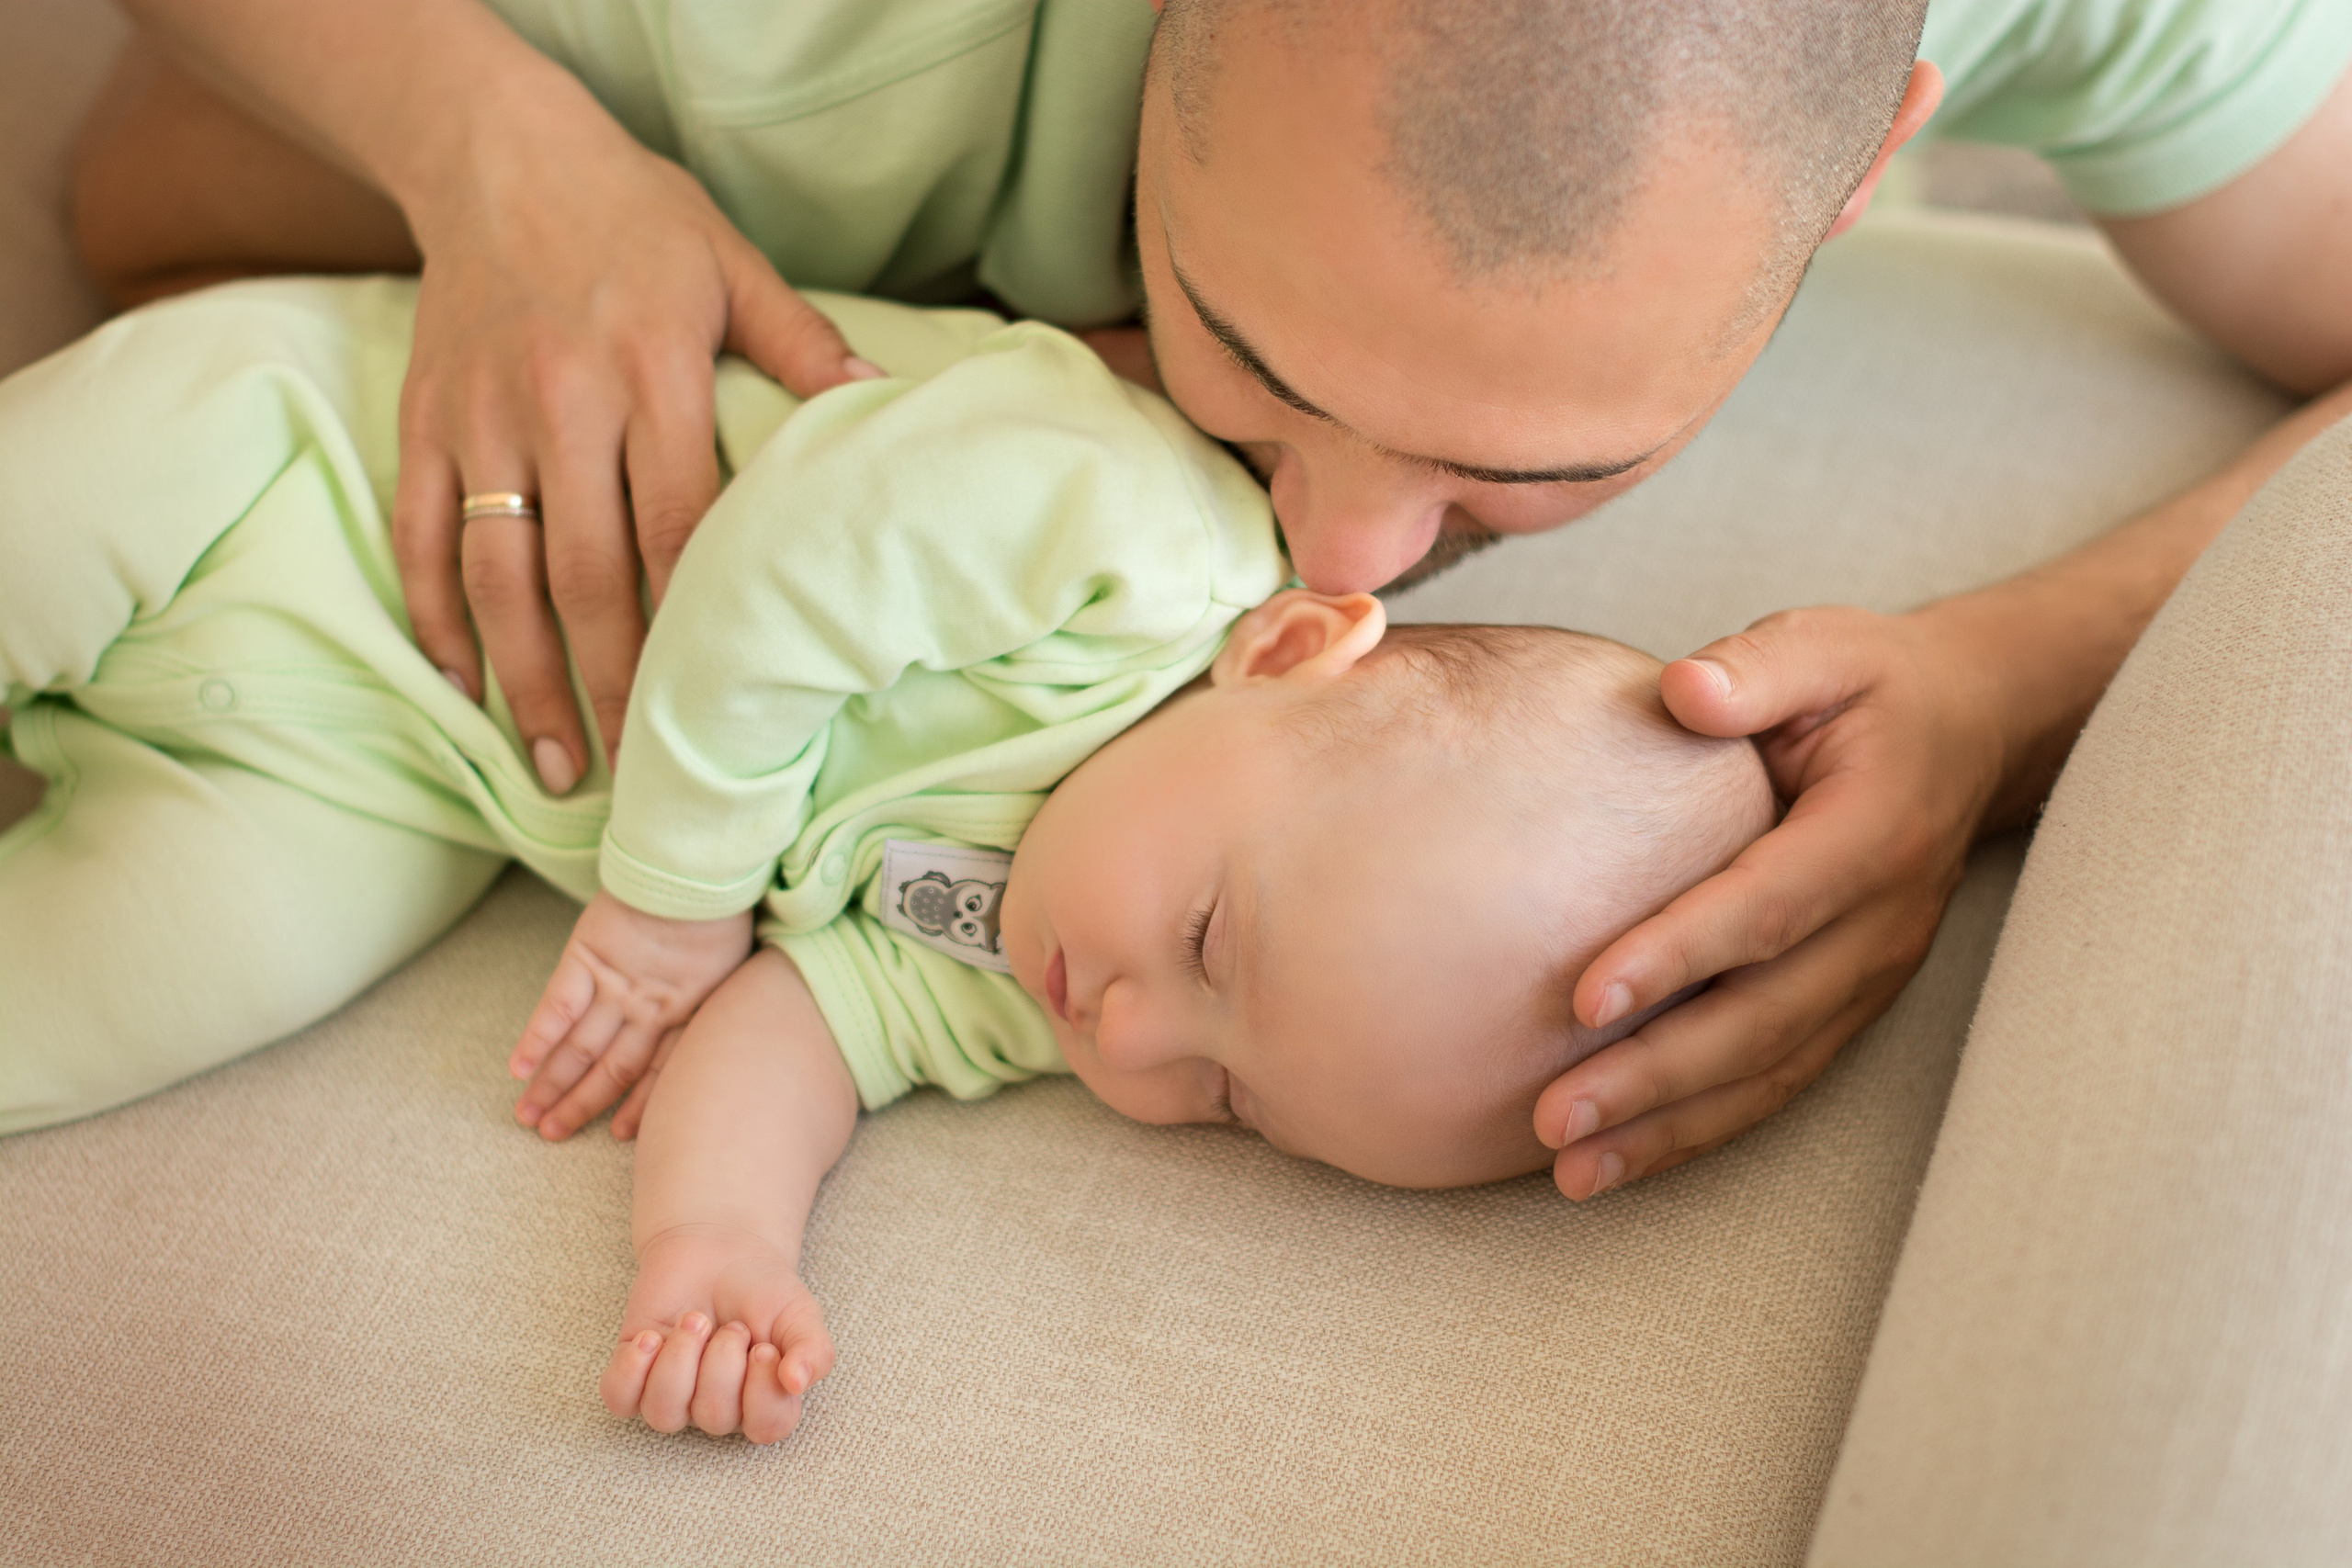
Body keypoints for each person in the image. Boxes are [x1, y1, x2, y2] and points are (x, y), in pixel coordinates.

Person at [62, 0, 2352, 1203]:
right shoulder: (821, 47)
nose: (1335, 564)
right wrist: (506, 155)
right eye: (1245, 352)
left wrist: (2003, 682)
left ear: (1872, 167)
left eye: (1539, 473)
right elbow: (137, 188)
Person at [0, 276, 1770, 1450]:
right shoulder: (1126, 537)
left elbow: (812, 1028)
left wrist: (719, 1239)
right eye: (1211, 938)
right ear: (1292, 654)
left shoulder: (1060, 976)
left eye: (1227, 1102)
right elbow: (781, 570)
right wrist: (677, 896)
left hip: (400, 763)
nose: (1135, 1040)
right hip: (314, 465)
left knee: (159, 974)